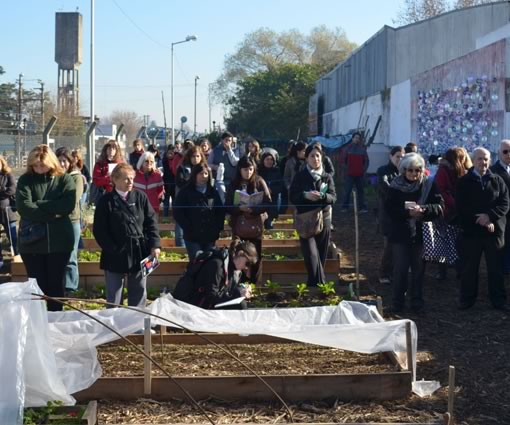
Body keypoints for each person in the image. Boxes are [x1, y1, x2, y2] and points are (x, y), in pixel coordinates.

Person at [16, 145, 76, 312]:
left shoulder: (64, 180)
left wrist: (40, 205)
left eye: (42, 165)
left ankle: (55, 319)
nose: (39, 169)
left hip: (60, 242)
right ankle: (38, 322)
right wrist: (52, 214)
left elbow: (66, 206)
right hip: (32, 243)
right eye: (35, 165)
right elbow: (25, 208)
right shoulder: (25, 180)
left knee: (56, 285)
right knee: (37, 287)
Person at [93, 163, 160, 308]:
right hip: (115, 253)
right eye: (126, 179)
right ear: (115, 180)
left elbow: (151, 222)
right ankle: (113, 326)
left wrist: (155, 245)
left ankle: (136, 324)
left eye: (132, 178)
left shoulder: (140, 197)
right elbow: (100, 230)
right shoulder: (106, 201)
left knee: (139, 291)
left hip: (138, 251)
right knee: (114, 294)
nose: (130, 182)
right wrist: (113, 249)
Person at [385, 153, 443, 313]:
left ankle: (417, 302)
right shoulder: (395, 186)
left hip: (421, 234)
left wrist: (423, 210)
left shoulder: (429, 185)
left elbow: (439, 207)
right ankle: (397, 302)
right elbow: (389, 209)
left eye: (417, 170)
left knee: (418, 270)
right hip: (400, 234)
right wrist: (407, 214)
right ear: (404, 170)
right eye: (410, 170)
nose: (413, 174)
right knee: (400, 269)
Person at [456, 147, 510, 312]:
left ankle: (498, 300)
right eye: (479, 159)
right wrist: (480, 220)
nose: (483, 162)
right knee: (469, 269)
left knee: (496, 269)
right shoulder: (463, 182)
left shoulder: (497, 180)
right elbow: (461, 207)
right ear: (473, 160)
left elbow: (505, 203)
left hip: (494, 233)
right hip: (471, 233)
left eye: (486, 159)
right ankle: (467, 299)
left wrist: (490, 216)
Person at [290, 143, 337, 286]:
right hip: (306, 219)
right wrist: (305, 195)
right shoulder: (300, 176)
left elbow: (333, 197)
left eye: (318, 156)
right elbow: (293, 196)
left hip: (324, 218)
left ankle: (314, 285)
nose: (315, 159)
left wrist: (322, 197)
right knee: (311, 253)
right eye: (312, 156)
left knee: (321, 254)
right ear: (306, 158)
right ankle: (320, 283)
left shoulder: (327, 177)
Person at [173, 239, 258, 309]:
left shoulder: (231, 266)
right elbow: (212, 297)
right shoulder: (217, 265)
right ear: (240, 254)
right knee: (241, 305)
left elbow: (225, 291)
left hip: (207, 303)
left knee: (242, 304)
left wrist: (240, 290)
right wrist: (238, 294)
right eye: (247, 263)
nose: (246, 268)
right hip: (196, 305)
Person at [226, 156, 271, 285]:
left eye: (251, 169)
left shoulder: (259, 181)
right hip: (239, 226)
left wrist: (254, 209)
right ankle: (239, 285)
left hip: (255, 226)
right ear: (240, 170)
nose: (248, 172)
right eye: (245, 169)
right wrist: (239, 208)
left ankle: (255, 285)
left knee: (255, 256)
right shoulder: (234, 184)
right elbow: (227, 205)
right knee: (239, 255)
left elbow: (268, 202)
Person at [432, 147, 472, 280]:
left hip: (458, 212)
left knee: (459, 242)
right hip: (447, 212)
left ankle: (459, 269)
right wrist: (456, 204)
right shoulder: (443, 171)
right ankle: (442, 271)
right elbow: (441, 191)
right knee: (444, 241)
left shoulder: (464, 171)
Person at [174, 163, 225, 259]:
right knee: (196, 264)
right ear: (195, 174)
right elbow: (178, 212)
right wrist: (188, 227)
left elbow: (220, 211)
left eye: (206, 174)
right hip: (192, 237)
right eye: (201, 173)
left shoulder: (213, 192)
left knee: (209, 264)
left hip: (210, 236)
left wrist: (218, 228)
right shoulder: (185, 191)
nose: (203, 176)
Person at [55, 147, 84, 293]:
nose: (62, 164)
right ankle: (60, 283)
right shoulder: (54, 177)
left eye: (64, 161)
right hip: (56, 221)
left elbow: (73, 199)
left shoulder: (76, 177)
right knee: (58, 254)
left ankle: (71, 286)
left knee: (71, 255)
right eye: (59, 160)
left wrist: (57, 206)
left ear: (70, 162)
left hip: (72, 220)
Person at [376, 146, 405, 284]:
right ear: (391, 156)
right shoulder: (383, 171)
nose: (400, 159)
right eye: (397, 156)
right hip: (387, 214)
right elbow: (384, 187)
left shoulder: (405, 171)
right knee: (389, 245)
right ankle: (384, 272)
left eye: (402, 157)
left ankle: (394, 272)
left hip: (402, 213)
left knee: (399, 246)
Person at [175, 146, 207, 247]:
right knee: (180, 225)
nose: (195, 158)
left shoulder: (205, 168)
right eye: (193, 156)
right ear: (189, 157)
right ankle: (181, 248)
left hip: (200, 202)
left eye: (198, 156)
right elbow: (179, 182)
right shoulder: (182, 167)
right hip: (184, 200)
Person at [490, 140, 510, 274]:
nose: (508, 154)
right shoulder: (493, 172)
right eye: (505, 151)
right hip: (501, 216)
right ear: (499, 153)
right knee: (503, 245)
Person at [341, 132, 369, 213]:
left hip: (359, 175)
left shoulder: (362, 150)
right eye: (356, 137)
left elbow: (366, 161)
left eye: (358, 138)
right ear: (352, 138)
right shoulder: (347, 149)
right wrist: (347, 169)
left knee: (361, 191)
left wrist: (362, 170)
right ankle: (344, 207)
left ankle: (362, 207)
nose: (357, 139)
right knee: (347, 191)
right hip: (349, 174)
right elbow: (343, 161)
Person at [91, 139, 124, 204]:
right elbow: (96, 180)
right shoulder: (100, 164)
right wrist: (108, 177)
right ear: (105, 150)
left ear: (117, 151)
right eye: (109, 148)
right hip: (103, 194)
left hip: (118, 194)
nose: (111, 150)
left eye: (113, 149)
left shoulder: (121, 164)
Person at [258, 150, 283, 229]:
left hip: (274, 198)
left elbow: (281, 186)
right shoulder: (259, 171)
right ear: (263, 160)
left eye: (271, 159)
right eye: (267, 159)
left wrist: (271, 190)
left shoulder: (277, 171)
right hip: (261, 198)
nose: (269, 161)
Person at [0, 155, 17, 266]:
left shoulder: (8, 174)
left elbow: (12, 189)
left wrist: (2, 192)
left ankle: (18, 260)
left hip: (7, 211)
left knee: (13, 237)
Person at [162, 145, 176, 217]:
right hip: (167, 183)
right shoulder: (164, 161)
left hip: (174, 183)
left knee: (174, 202)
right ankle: (165, 218)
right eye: (169, 153)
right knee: (166, 202)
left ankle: (174, 217)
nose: (170, 155)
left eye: (172, 153)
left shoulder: (176, 161)